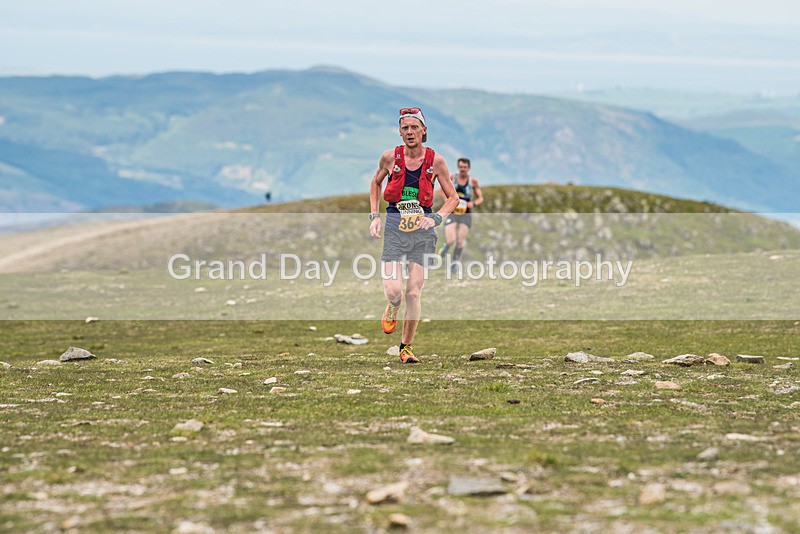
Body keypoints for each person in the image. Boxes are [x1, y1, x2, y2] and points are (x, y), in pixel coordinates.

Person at [369, 107, 458, 364]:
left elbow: (453, 198)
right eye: (405, 128)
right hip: (395, 227)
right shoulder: (389, 158)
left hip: (423, 231)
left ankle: (405, 348)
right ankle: (393, 306)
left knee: (413, 292)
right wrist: (374, 216)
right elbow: (375, 183)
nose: (410, 132)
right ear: (400, 132)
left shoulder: (436, 162)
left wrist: (436, 217)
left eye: (414, 127)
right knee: (394, 291)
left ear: (423, 131)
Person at [439, 157, 483, 270]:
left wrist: (473, 204)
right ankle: (445, 247)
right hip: (453, 213)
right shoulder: (453, 178)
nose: (463, 169)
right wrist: (447, 201)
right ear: (458, 167)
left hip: (466, 215)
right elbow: (441, 190)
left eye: (465, 167)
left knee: (459, 241)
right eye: (461, 167)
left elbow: (480, 198)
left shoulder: (473, 181)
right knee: (451, 240)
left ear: (468, 168)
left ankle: (454, 264)